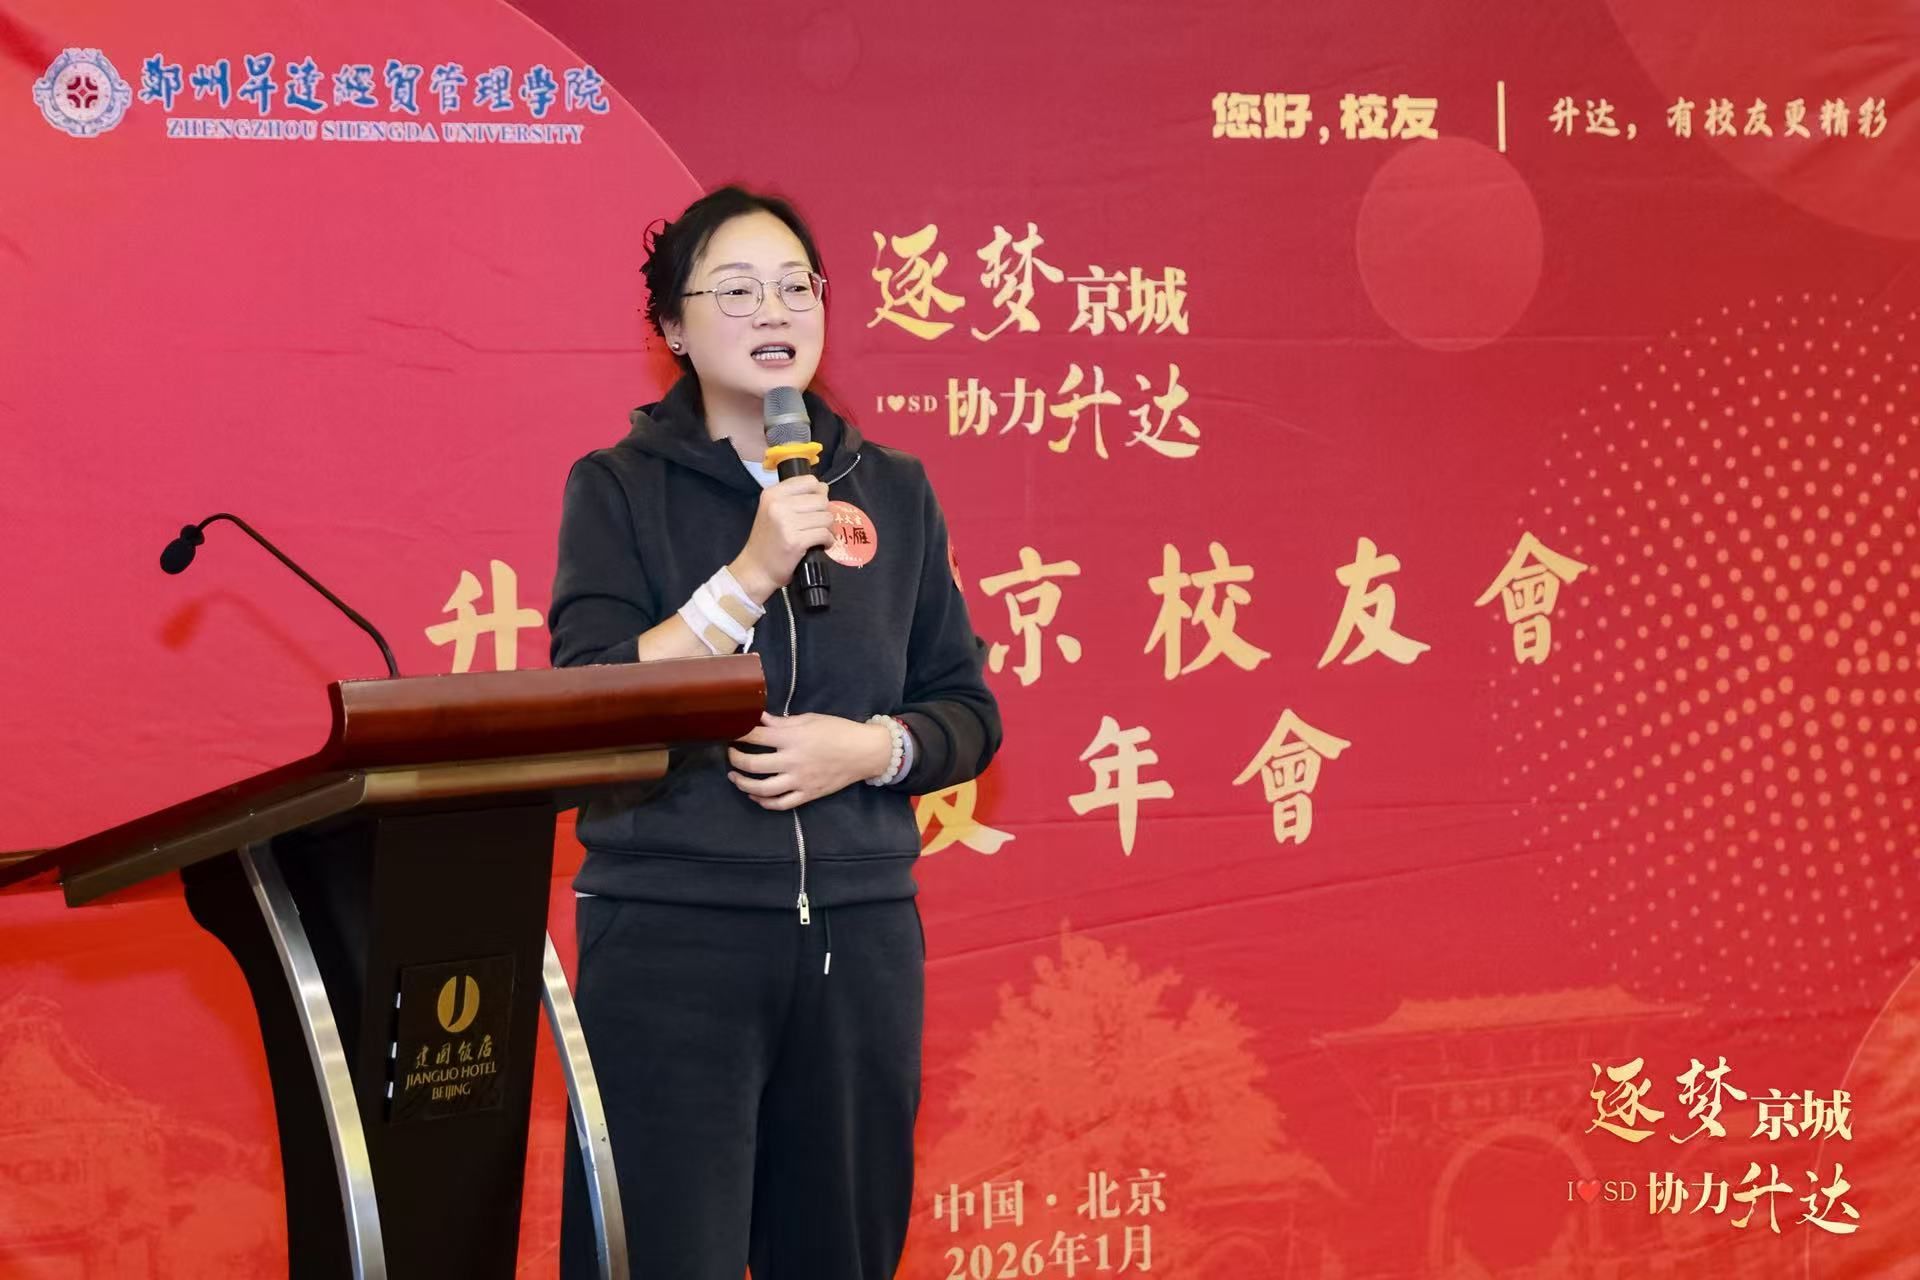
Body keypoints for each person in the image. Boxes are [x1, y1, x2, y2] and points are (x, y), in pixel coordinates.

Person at [548, 185, 1002, 1279]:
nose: (776, 310)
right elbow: (587, 702)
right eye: (738, 289)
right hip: (672, 938)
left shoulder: (894, 488)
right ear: (673, 327)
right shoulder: (617, 489)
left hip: (860, 940)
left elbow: (965, 710)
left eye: (798, 287)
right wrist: (750, 573)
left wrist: (870, 750)